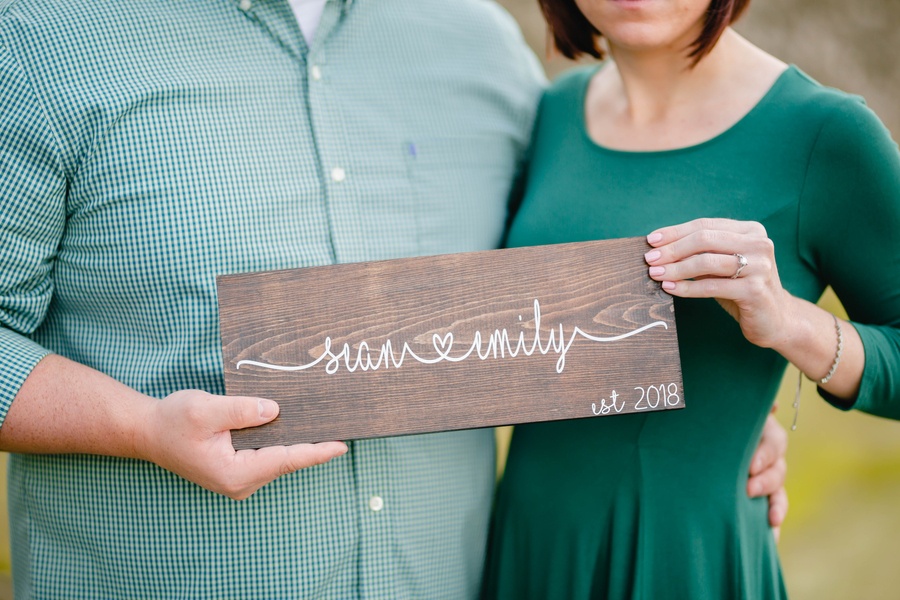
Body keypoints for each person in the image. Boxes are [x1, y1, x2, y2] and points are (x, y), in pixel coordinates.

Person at [0, 0, 788, 597]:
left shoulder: (478, 42)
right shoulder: (43, 38)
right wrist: (140, 427)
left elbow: (557, 293)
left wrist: (716, 419)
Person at [482, 0, 900, 598]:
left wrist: (786, 323)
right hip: (530, 552)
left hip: (684, 560)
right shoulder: (553, 112)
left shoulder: (825, 134)